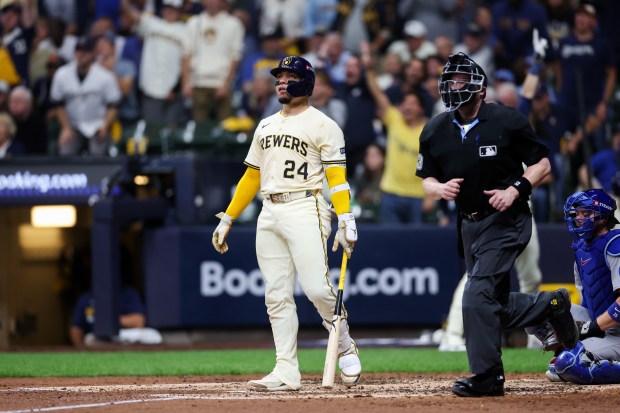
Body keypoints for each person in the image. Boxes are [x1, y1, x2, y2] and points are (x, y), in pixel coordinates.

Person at [416, 51, 579, 397]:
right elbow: (426, 178)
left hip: (507, 219)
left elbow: (543, 165)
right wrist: (438, 188)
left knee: (475, 295)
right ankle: (552, 305)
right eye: (450, 81)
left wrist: (516, 188)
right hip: (468, 223)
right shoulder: (434, 130)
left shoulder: (507, 120)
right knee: (492, 305)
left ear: (480, 90)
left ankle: (489, 375)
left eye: (461, 81)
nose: (453, 86)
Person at [211, 56, 362, 391]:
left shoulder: (323, 124)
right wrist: (229, 216)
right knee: (276, 294)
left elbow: (337, 179)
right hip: (269, 210)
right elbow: (251, 176)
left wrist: (345, 216)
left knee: (316, 288)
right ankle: (285, 370)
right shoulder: (265, 125)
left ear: (306, 82)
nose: (281, 81)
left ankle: (344, 342)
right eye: (279, 77)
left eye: (289, 76)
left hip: (306, 205)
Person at [540, 189, 620, 384]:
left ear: (602, 216)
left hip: (617, 333)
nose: (578, 218)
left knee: (567, 365)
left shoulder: (615, 243)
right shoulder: (581, 250)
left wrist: (590, 328)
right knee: (540, 306)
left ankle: (575, 357)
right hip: (601, 328)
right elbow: (587, 304)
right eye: (577, 214)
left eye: (586, 213)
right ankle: (567, 351)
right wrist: (569, 332)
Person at [362, 46, 429, 224]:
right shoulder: (395, 119)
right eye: (405, 103)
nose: (407, 106)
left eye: (412, 104)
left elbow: (438, 164)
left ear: (421, 109)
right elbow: (378, 94)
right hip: (391, 194)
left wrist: (432, 197)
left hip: (418, 196)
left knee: (416, 246)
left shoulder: (429, 130)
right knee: (390, 245)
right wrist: (369, 69)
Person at [50, 35, 121, 156]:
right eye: (78, 51)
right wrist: (65, 127)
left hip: (96, 126)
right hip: (73, 126)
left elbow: (113, 105)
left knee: (98, 153)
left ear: (93, 54)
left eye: (85, 51)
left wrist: (105, 126)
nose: (81, 55)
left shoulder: (105, 76)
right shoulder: (62, 74)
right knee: (66, 151)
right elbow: (59, 104)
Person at [121, 0, 188, 127]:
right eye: (168, 7)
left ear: (180, 11)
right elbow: (132, 15)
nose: (170, 11)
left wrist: (177, 87)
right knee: (151, 131)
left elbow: (187, 61)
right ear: (162, 9)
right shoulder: (152, 23)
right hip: (151, 88)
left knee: (171, 132)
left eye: (174, 8)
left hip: (173, 90)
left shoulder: (186, 30)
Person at [182, 0, 244, 122]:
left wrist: (226, 84)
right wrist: (186, 83)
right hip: (198, 83)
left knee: (225, 127)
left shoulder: (234, 24)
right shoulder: (193, 22)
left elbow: (236, 57)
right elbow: (186, 54)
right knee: (199, 128)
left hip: (222, 84)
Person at [70, 285, 163, 348]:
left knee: (153, 335)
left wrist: (110, 320)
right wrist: (79, 349)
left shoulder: (126, 292)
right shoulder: (86, 298)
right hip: (102, 338)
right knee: (89, 339)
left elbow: (139, 321)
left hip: (127, 335)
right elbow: (76, 328)